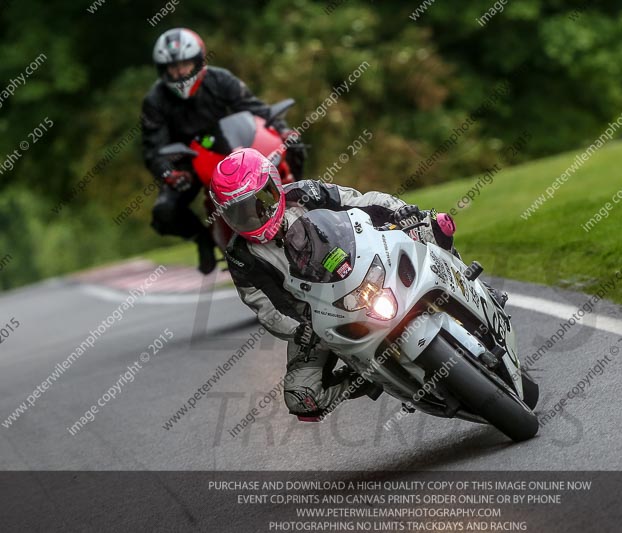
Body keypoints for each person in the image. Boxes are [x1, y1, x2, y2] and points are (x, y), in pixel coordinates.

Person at [209, 148, 478, 421]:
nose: (253, 215)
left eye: (258, 201)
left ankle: (471, 286)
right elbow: (266, 307)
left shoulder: (305, 193)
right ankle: (366, 377)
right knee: (302, 396)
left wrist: (401, 213)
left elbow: (360, 202)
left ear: (274, 186)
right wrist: (300, 331)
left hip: (365, 269)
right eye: (239, 212)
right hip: (318, 320)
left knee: (430, 227)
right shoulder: (240, 256)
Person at [140, 27, 305, 274]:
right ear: (162, 71)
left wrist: (282, 130)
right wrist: (168, 173)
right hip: (187, 162)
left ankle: (298, 199)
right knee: (164, 212)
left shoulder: (221, 79)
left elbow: (255, 108)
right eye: (172, 68)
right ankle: (202, 240)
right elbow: (154, 148)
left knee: (295, 147)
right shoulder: (155, 100)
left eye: (184, 64)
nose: (179, 72)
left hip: (232, 148)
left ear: (198, 61)